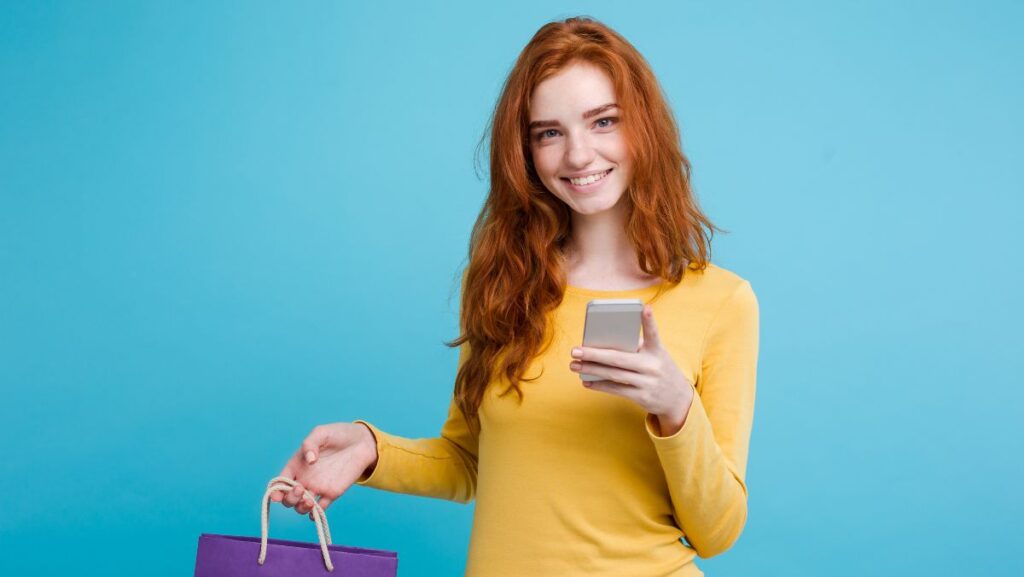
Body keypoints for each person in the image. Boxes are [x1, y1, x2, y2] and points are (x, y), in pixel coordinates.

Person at [271, 15, 759, 577]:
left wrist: (676, 407)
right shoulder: (503, 284)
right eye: (549, 132)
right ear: (524, 151)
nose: (578, 155)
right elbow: (469, 463)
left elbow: (717, 531)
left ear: (643, 128)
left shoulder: (721, 303)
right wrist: (370, 449)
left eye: (603, 121)